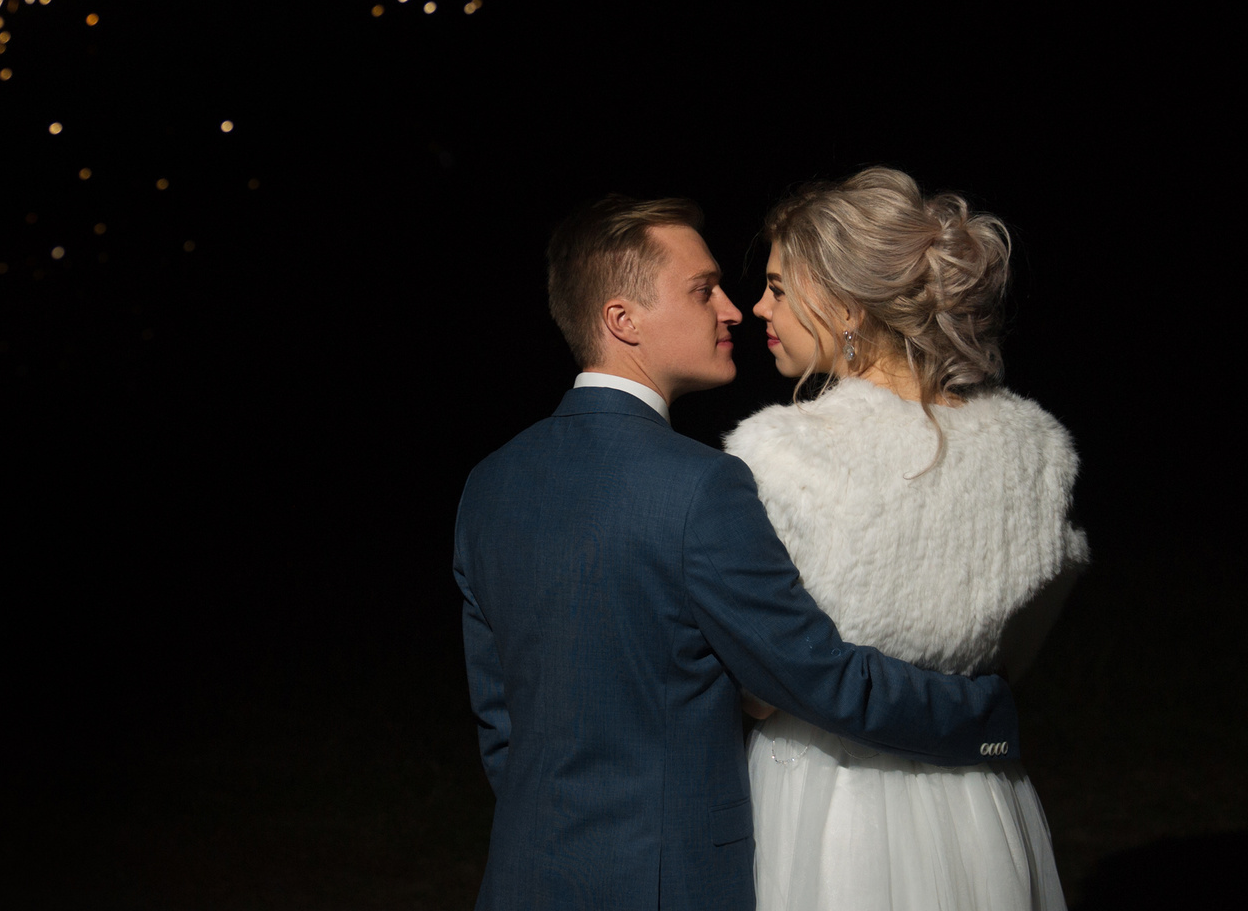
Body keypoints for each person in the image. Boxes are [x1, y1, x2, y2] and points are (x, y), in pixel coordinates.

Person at [454, 196, 1025, 911]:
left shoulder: (488, 485)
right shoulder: (701, 487)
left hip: (523, 877)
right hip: (675, 884)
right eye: (703, 290)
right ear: (622, 320)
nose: (730, 309)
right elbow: (818, 679)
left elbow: (500, 721)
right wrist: (987, 716)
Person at [731, 168, 1086, 910]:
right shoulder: (1035, 450)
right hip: (978, 801)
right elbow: (1015, 654)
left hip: (825, 802)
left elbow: (756, 687)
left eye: (778, 287)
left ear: (844, 305)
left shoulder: (784, 454)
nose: (758, 307)